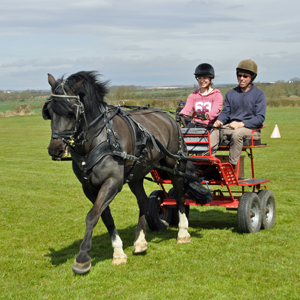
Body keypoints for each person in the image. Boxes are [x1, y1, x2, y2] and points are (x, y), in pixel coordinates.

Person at [210, 59, 267, 171]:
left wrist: (241, 124)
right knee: (215, 131)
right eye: (239, 75)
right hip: (232, 127)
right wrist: (219, 121)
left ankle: (232, 167)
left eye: (245, 76)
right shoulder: (231, 93)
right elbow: (226, 112)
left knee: (237, 134)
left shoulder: (259, 95)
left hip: (251, 130)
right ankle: (208, 162)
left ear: (252, 77)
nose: (241, 78)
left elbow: (260, 118)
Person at [179, 63, 223, 129]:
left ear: (210, 79)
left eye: (204, 78)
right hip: (195, 123)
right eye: (200, 78)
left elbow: (215, 111)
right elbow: (187, 109)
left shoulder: (217, 95)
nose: (202, 81)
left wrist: (207, 115)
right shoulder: (193, 95)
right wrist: (181, 114)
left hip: (210, 124)